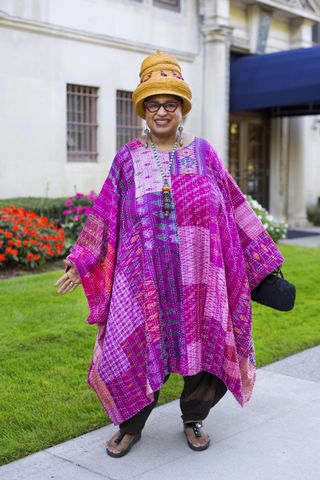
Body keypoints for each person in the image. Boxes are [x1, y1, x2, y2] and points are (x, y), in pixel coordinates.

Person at [55, 50, 284, 458]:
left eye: (170, 103)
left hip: (202, 275)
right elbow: (106, 213)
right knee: (139, 344)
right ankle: (130, 425)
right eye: (154, 103)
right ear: (144, 109)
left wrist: (265, 268)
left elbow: (234, 206)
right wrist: (82, 259)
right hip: (145, 280)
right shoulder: (128, 159)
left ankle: (194, 417)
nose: (162, 111)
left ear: (182, 108)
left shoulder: (204, 154)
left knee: (204, 346)